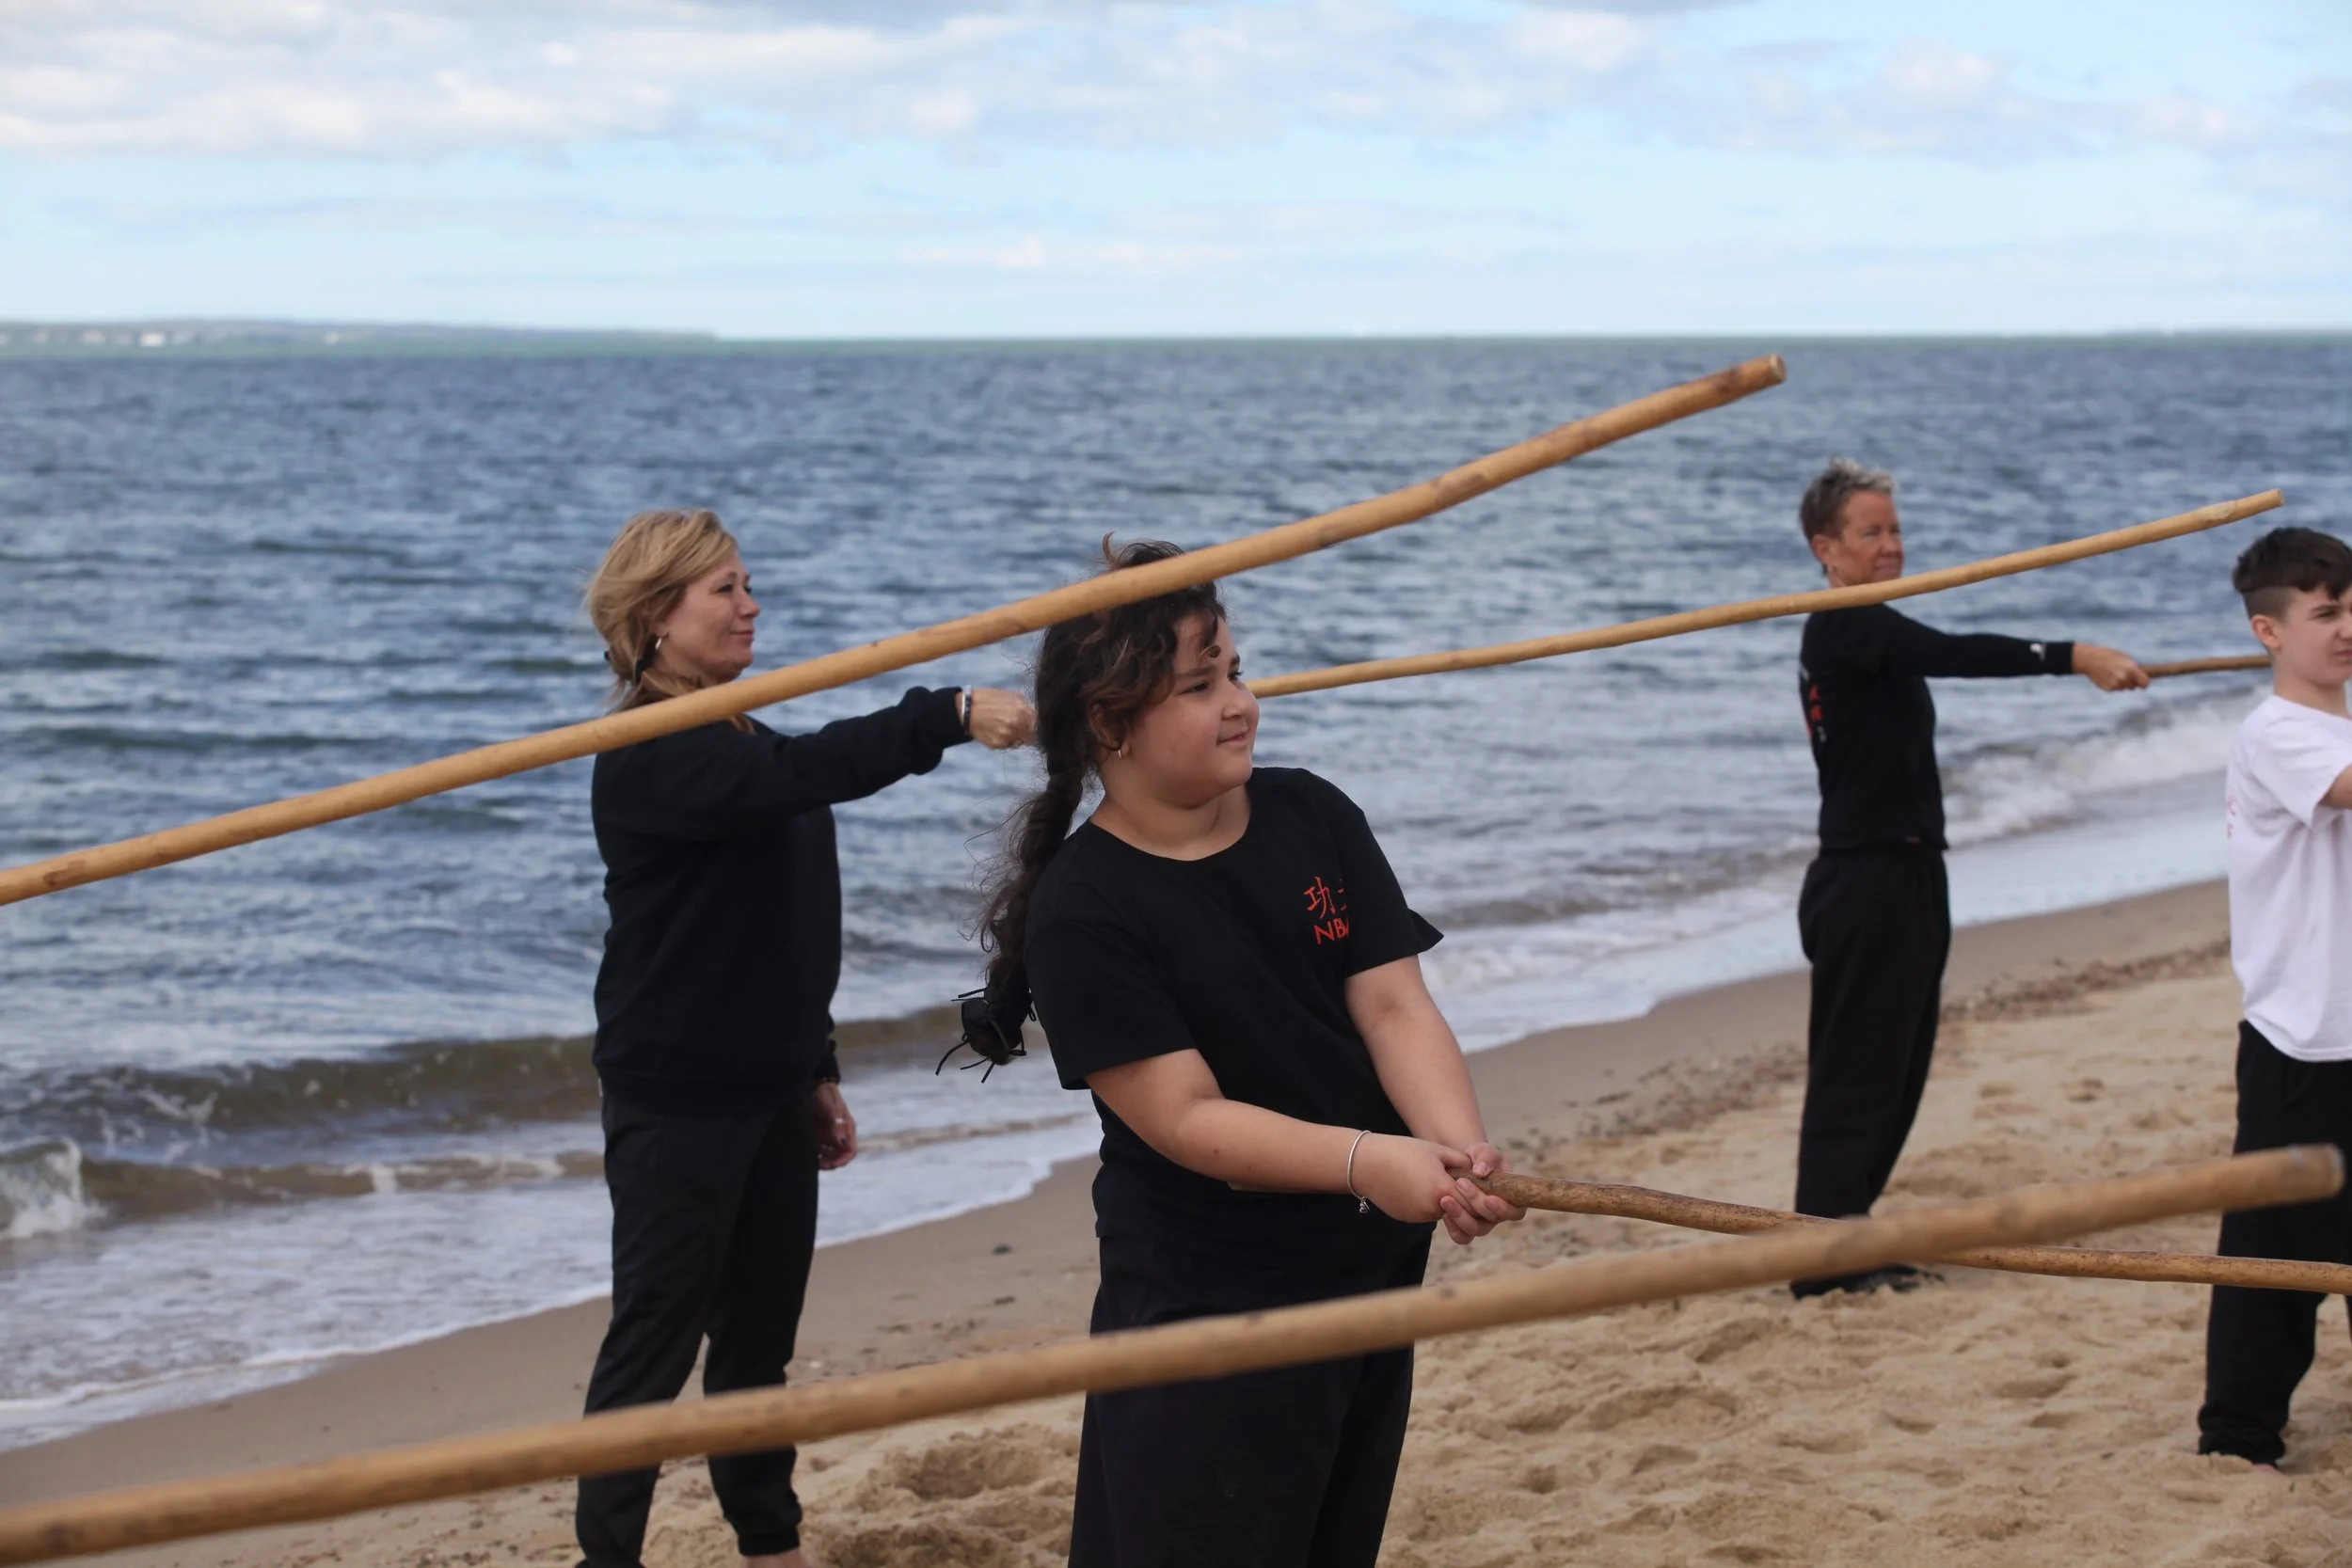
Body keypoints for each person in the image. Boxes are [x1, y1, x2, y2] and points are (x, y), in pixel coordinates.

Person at [975, 540, 1523, 1568]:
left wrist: (1456, 1154)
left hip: (1366, 1260)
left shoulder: (1310, 810)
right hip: (1210, 1296)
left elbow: (1394, 1004)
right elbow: (1185, 1118)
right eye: (1198, 684)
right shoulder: (1085, 907)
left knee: (1329, 1532)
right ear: (1109, 723)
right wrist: (1374, 1160)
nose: (1239, 701)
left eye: (1233, 669)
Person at [575, 508, 1036, 1568]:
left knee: (755, 1352)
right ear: (656, 615)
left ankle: (770, 1549)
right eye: (725, 590)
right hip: (676, 1098)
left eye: (748, 584)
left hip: (773, 1088)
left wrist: (814, 1066)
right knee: (650, 1351)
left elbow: (780, 928)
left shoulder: (741, 729)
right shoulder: (642, 753)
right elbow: (809, 773)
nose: (753, 606)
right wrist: (948, 713)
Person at [1790, 459, 2147, 1295]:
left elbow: (1928, 652)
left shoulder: (1868, 626)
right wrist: (2075, 654)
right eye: (1870, 532)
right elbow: (1955, 653)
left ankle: (1847, 1234)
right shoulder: (1845, 627)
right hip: (1867, 878)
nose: (1891, 544)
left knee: (1897, 1067)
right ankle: (1819, 1257)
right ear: (1826, 548)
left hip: (1906, 870)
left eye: (1895, 529)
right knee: (1859, 1074)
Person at [2197, 525, 2352, 1469]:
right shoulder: (2277, 733)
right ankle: (2238, 1435)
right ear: (2266, 630)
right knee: (2272, 1260)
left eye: (2351, 610)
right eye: (2325, 613)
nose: (2344, 630)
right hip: (2302, 1041)